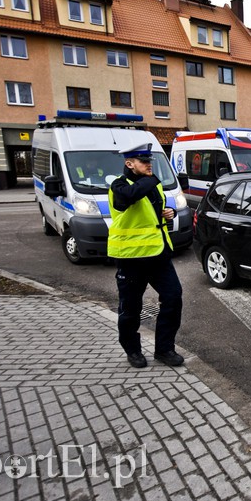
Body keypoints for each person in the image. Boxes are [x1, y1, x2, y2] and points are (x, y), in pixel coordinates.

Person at [108, 143, 184, 368]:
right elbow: (130, 196)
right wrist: (152, 179)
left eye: (150, 161)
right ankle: (133, 351)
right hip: (131, 258)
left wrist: (168, 212)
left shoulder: (152, 185)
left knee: (173, 298)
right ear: (129, 164)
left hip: (158, 256)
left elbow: (152, 212)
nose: (149, 165)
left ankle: (164, 349)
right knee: (131, 308)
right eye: (144, 161)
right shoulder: (119, 186)